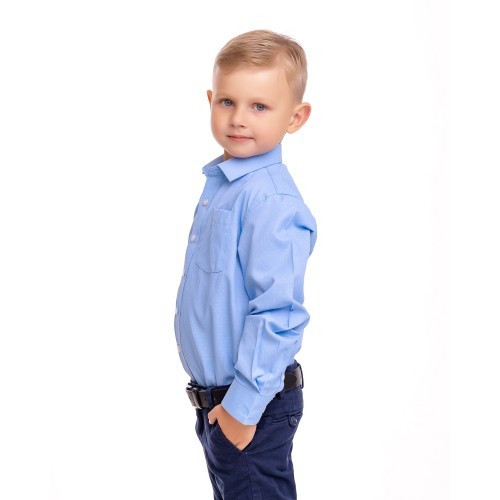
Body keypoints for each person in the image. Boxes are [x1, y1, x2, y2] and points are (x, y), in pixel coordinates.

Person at [174, 29, 317, 499]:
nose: (238, 118)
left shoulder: (271, 201)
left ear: (295, 117)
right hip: (219, 405)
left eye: (259, 106)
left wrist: (242, 407)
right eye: (227, 102)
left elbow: (279, 314)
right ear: (210, 101)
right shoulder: (224, 186)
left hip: (250, 405)